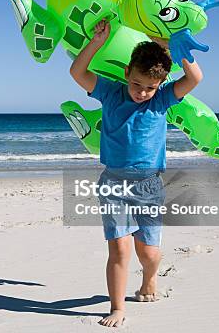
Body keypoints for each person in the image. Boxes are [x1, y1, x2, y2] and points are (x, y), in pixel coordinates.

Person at [69, 19, 203, 327]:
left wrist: (175, 47)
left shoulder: (162, 99)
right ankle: (117, 308)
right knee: (119, 250)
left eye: (150, 87)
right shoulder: (110, 92)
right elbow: (78, 73)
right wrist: (97, 42)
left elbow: (195, 77)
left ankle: (150, 279)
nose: (142, 92)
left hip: (149, 186)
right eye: (137, 84)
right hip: (113, 183)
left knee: (149, 253)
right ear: (127, 73)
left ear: (160, 83)